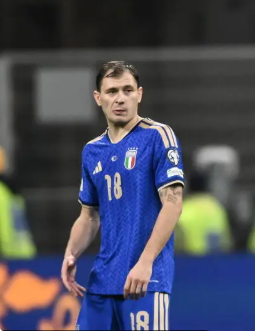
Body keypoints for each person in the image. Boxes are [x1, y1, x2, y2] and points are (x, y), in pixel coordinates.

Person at [61, 61, 185, 330]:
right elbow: (89, 216)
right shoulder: (92, 150)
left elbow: (173, 203)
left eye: (127, 90)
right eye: (112, 91)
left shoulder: (158, 136)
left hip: (145, 281)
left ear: (139, 94)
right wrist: (71, 253)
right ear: (98, 98)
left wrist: (146, 262)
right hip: (101, 283)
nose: (120, 98)